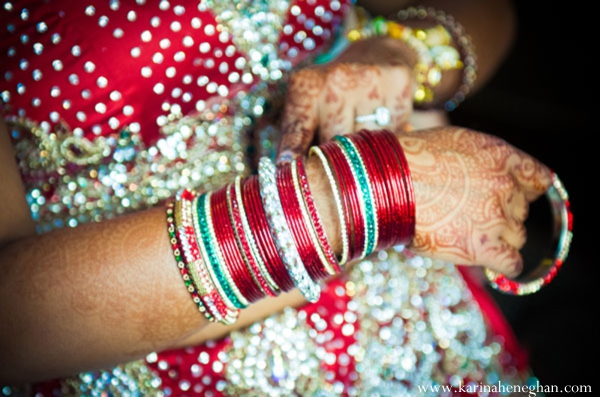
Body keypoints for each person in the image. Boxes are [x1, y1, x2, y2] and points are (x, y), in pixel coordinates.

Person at [0, 0, 566, 395]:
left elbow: (490, 10)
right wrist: (362, 191)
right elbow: (14, 323)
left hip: (427, 324)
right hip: (179, 368)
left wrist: (400, 48)